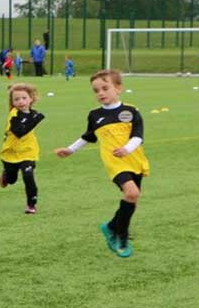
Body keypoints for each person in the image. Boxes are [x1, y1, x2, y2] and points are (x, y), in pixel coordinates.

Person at [56, 69, 150, 258]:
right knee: (132, 193)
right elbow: (88, 137)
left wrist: (127, 149)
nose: (100, 93)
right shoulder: (94, 115)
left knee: (132, 199)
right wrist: (70, 149)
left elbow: (138, 136)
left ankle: (111, 227)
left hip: (134, 159)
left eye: (105, 88)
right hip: (114, 162)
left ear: (119, 88)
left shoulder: (131, 111)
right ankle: (121, 237)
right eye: (96, 90)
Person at [0, 83, 45, 214]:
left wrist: (35, 118)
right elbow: (19, 132)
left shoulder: (33, 114)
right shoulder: (13, 115)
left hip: (28, 151)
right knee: (12, 180)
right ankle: (6, 176)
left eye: (24, 98)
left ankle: (31, 205)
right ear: (12, 102)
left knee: (28, 175)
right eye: (16, 99)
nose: (20, 102)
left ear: (31, 99)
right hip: (11, 152)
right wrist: (36, 120)